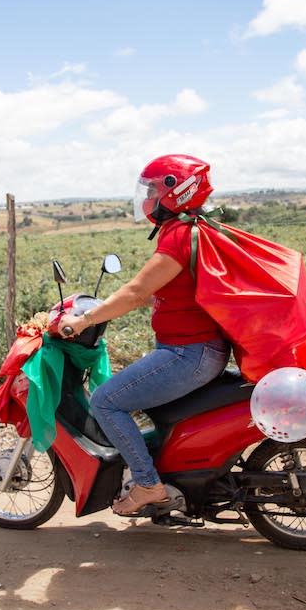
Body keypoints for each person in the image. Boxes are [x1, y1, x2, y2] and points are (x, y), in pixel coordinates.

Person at [59, 154, 230, 516]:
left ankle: (148, 485)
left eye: (152, 190)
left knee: (106, 401)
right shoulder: (190, 230)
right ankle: (162, 472)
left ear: (175, 192)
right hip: (197, 350)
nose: (147, 198)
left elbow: (136, 291)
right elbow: (154, 290)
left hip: (189, 353)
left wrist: (84, 320)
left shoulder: (180, 236)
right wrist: (106, 307)